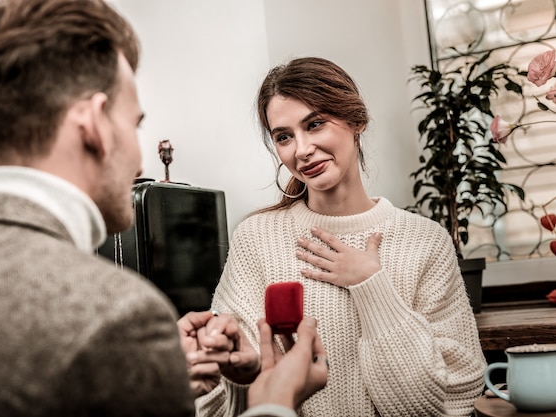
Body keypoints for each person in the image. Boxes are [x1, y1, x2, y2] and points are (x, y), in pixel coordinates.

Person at [0, 1, 327, 415]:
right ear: (96, 125)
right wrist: (274, 403)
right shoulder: (119, 316)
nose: (140, 162)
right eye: (134, 124)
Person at [195, 57, 487, 417]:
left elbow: (444, 404)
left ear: (356, 121)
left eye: (315, 124)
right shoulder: (256, 239)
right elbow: (228, 404)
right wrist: (228, 367)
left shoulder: (426, 241)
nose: (300, 150)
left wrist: (371, 284)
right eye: (284, 137)